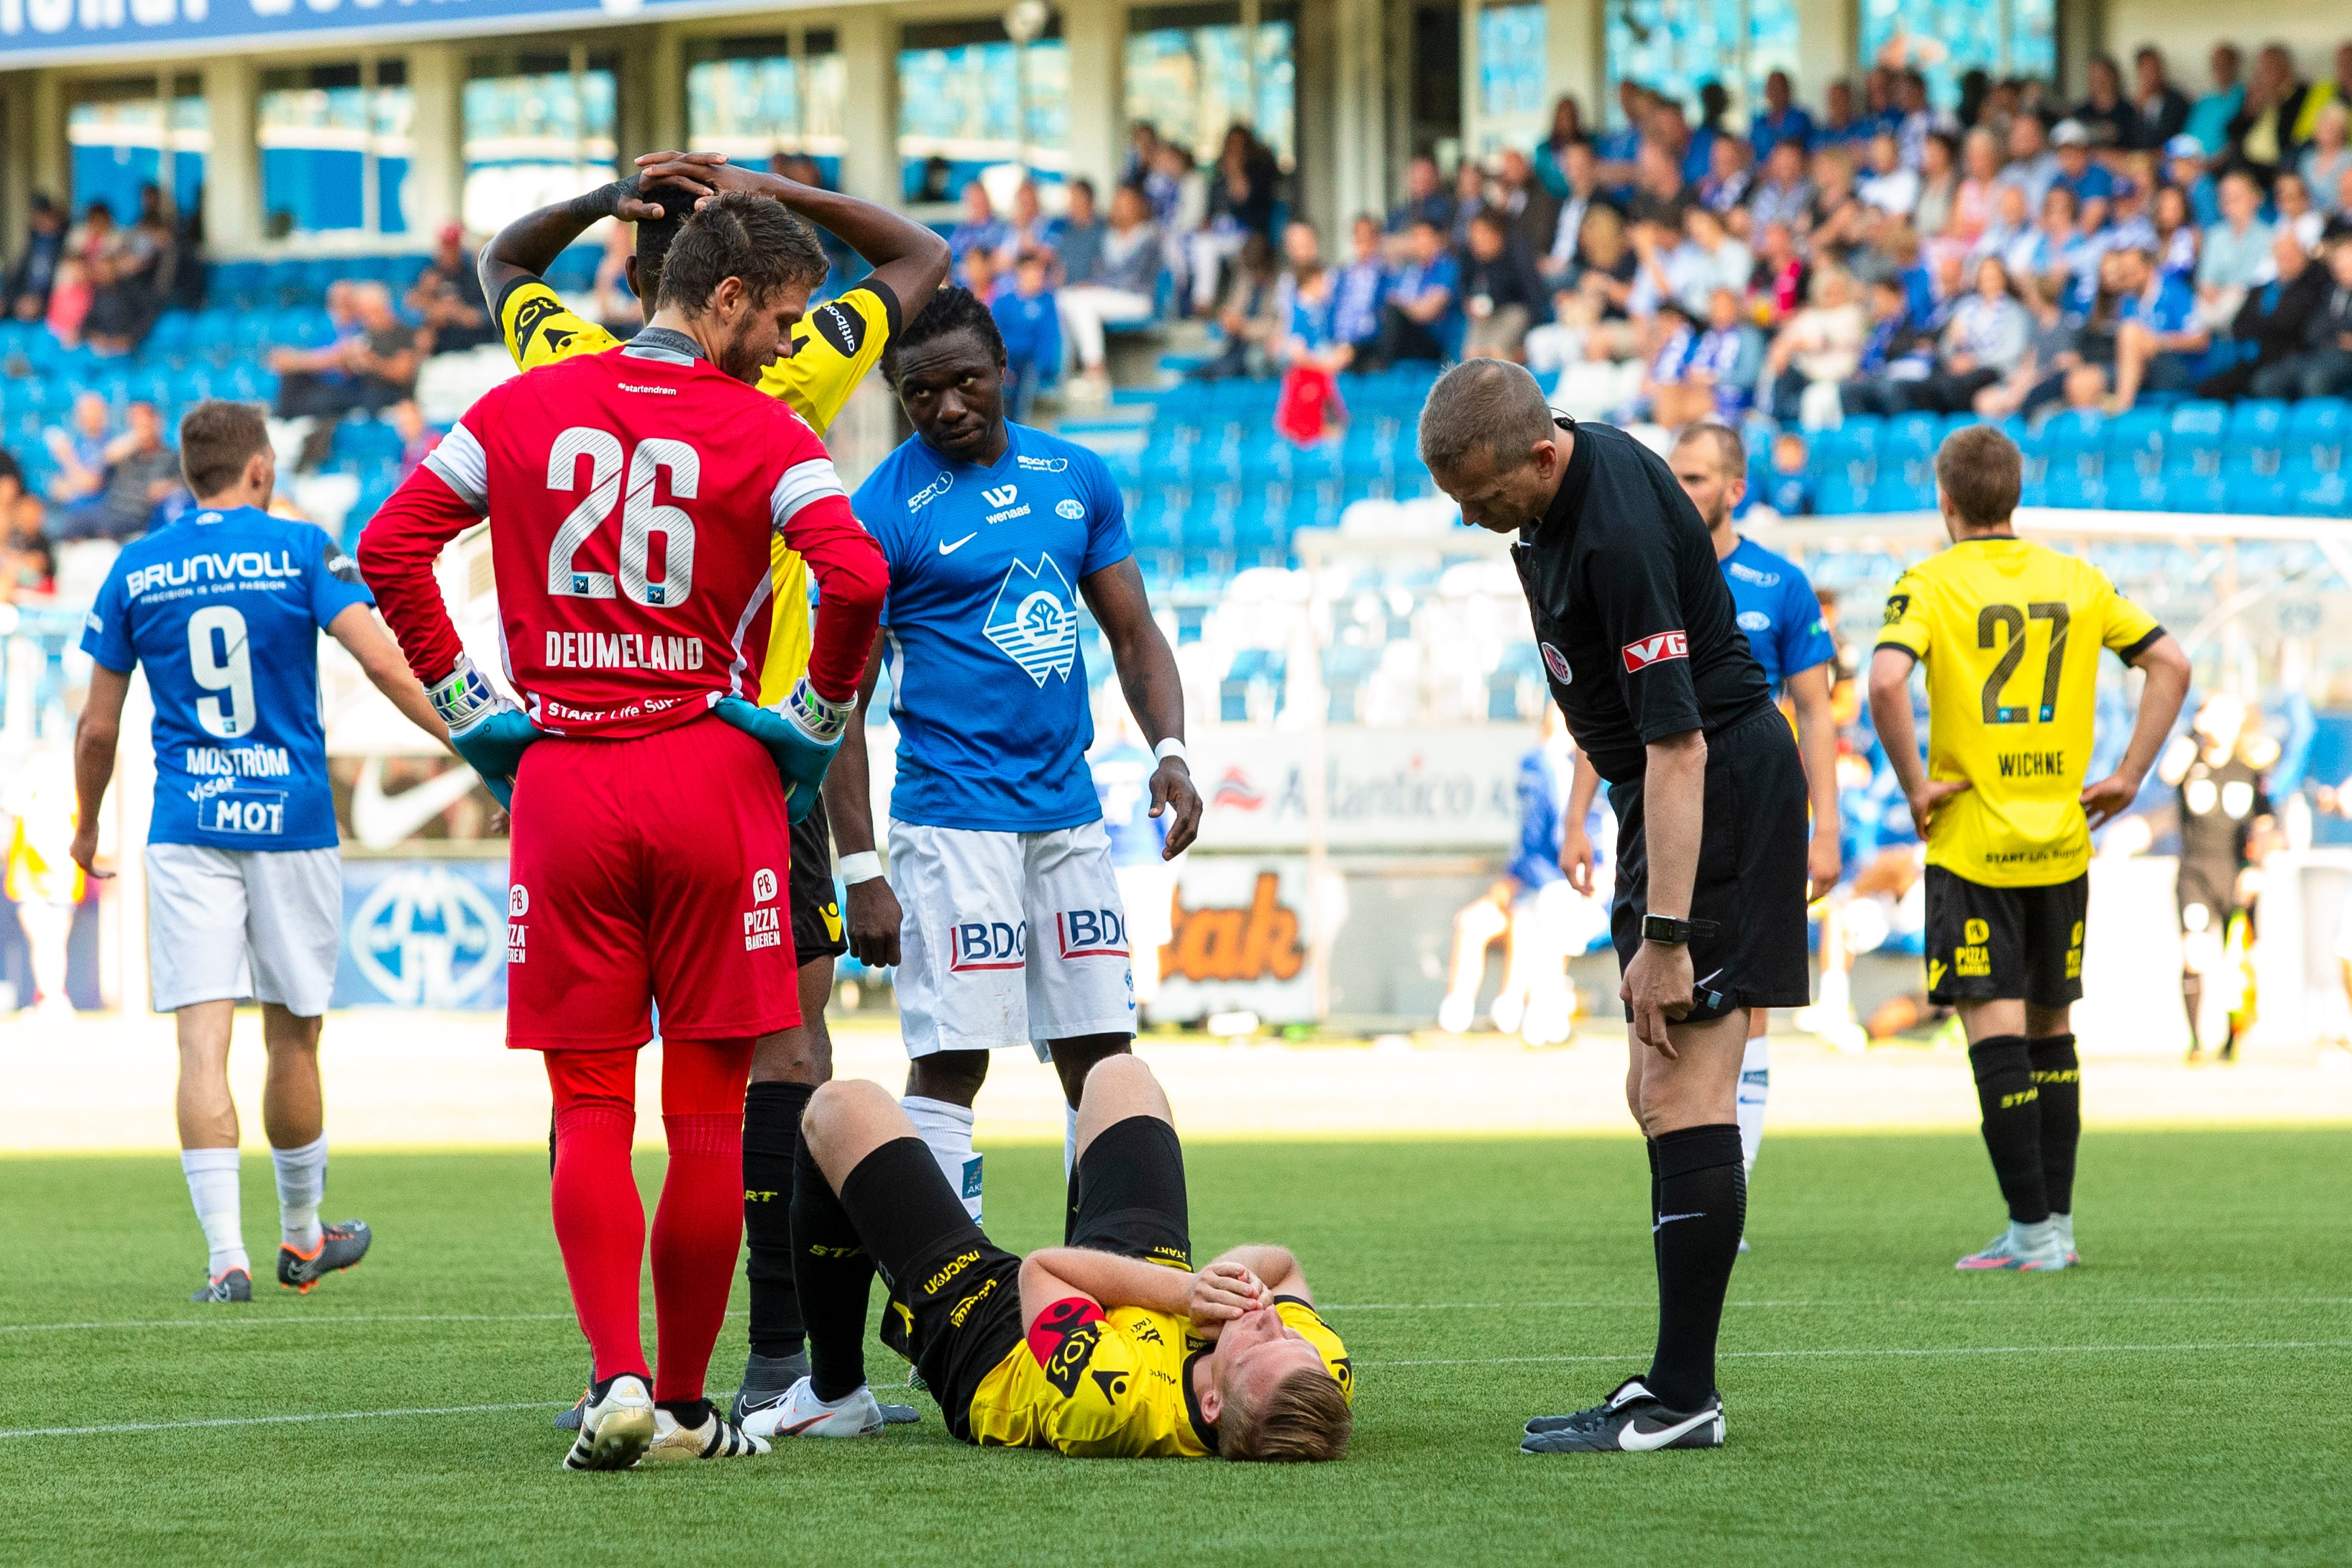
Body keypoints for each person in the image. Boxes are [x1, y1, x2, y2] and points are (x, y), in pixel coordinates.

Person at [360, 192, 892, 1470]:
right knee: (706, 1113)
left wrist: (476, 715)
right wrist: (811, 722)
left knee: (590, 1102)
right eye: (779, 318)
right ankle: (693, 1408)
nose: (788, 342)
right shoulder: (768, 431)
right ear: (724, 298)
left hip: (567, 784)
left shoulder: (521, 406)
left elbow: (391, 547)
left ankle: (615, 1380)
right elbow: (859, 577)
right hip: (714, 777)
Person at [473, 150, 949, 1430]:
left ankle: (640, 1365)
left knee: (594, 1074)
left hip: (588, 756)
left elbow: (503, 262)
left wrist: (597, 202)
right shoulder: (792, 378)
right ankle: (767, 1356)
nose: (787, 328)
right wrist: (776, 194)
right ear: (728, 289)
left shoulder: (560, 358)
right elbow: (917, 257)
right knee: (775, 1053)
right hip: (753, 757)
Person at [1422, 361, 1811, 1453]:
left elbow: (1680, 741)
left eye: (1483, 495)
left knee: (1684, 1084)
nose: (1472, 517)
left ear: (1542, 455)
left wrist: (1667, 937)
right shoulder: (1562, 490)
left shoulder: (1619, 535)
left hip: (1714, 789)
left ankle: (1684, 1399)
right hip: (1667, 795)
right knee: (1652, 1087)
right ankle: (1674, 1383)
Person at [826, 284, 1202, 1254]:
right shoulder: (879, 511)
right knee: (952, 1062)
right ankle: (947, 1295)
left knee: (1104, 1059)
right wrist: (861, 870)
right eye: (920, 393)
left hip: (1067, 818)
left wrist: (1168, 750)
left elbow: (1133, 632)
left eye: (965, 381)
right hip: (951, 822)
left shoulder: (1074, 475)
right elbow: (840, 702)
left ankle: (1107, 1272)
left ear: (1002, 369)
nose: (946, 406)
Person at [70, 400, 449, 1304]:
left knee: (201, 1044)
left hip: (187, 825)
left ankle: (224, 1261)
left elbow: (96, 729)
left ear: (188, 473)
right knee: (293, 1035)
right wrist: (470, 742)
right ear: (261, 470)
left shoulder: (135, 566)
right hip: (291, 820)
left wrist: (87, 824)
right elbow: (384, 664)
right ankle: (302, 1235)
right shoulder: (302, 548)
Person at [1867, 426, 2189, 1275]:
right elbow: (2171, 663)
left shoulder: (1928, 583)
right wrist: (2128, 774)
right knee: (2052, 1031)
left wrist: (1914, 784)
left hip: (1973, 843)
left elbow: (1886, 680)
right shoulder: (2076, 579)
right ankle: (2057, 1229)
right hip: (2061, 841)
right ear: (2015, 496)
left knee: (1994, 1033)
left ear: (1944, 501)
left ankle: (2031, 1235)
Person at [761, 1053, 1352, 1458]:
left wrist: (1185, 1292)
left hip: (998, 1347)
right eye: (1287, 1334)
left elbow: (1043, 1270)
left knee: (839, 1106)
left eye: (1256, 1346)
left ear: (1212, 1402)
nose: (1268, 1321)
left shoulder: (1115, 1402)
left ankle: (835, 1396)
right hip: (1145, 1295)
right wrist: (1223, 1282)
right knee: (1120, 1074)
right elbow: (1283, 1266)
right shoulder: (1313, 1377)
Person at [1560, 422, 1841, 1228]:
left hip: (1743, 813)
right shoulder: (1638, 566)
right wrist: (1577, 815)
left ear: (1734, 488)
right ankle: (1702, 1196)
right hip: (1655, 814)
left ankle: (1728, 1189)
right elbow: (1612, 715)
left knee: (1738, 1012)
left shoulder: (1778, 582)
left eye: (1697, 479)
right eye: (1674, 477)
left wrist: (1825, 826)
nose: (1682, 493)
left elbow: (1815, 711)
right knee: (1652, 1050)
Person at [2159, 695, 2276, 1064]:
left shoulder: (2249, 769)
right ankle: (2196, 1042)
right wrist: (2193, 733)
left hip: (2236, 874)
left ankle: (2230, 1043)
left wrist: (2256, 868)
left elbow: (2265, 824)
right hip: (2195, 872)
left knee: (2235, 959)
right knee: (2195, 953)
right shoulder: (2190, 759)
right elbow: (2166, 773)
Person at [1058, 184, 1161, 393]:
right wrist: (1093, 285)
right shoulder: (1110, 237)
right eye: (1118, 203)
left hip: (1138, 299)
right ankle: (1068, 370)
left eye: (1126, 203)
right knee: (1065, 297)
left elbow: (1134, 278)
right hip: (1112, 297)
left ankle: (1095, 371)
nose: (1120, 208)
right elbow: (1100, 271)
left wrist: (1098, 286)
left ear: (1138, 206)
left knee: (1082, 302)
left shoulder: (1150, 237)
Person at [50, 399, 185, 543]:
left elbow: (183, 484)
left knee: (86, 523)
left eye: (144, 422)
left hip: (134, 517)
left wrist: (168, 487)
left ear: (156, 422)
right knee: (70, 522)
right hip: (109, 510)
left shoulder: (171, 457)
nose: (140, 428)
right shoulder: (125, 453)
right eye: (135, 423)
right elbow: (106, 458)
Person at [408, 222, 497, 354]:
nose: (449, 251)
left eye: (453, 246)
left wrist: (454, 311)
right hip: (439, 350)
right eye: (446, 246)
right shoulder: (429, 274)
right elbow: (410, 307)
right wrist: (432, 304)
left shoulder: (473, 276)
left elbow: (483, 317)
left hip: (472, 350)